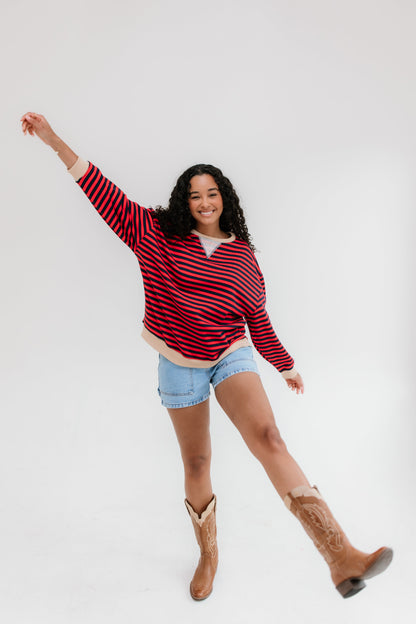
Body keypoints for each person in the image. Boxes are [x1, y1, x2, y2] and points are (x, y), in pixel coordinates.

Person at [20, 111, 393, 601]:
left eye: (211, 193)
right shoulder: (153, 231)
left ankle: (340, 556)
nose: (204, 202)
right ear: (184, 201)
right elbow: (102, 190)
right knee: (197, 463)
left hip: (229, 352)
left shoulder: (242, 256)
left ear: (225, 198)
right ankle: (208, 554)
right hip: (178, 359)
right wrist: (52, 140)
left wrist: (285, 365)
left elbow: (256, 319)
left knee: (270, 437)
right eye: (194, 194)